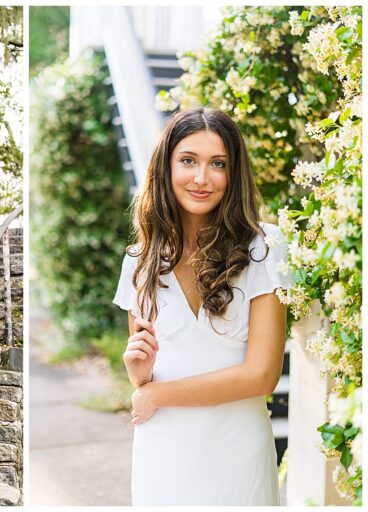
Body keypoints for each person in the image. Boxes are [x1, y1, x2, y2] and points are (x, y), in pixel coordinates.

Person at [113, 107, 290, 505]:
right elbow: (148, 380)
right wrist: (139, 374)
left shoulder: (264, 249)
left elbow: (262, 375)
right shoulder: (139, 261)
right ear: (166, 167)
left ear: (234, 174)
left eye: (218, 164)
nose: (201, 178)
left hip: (237, 453)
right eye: (188, 161)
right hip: (163, 450)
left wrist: (156, 394)